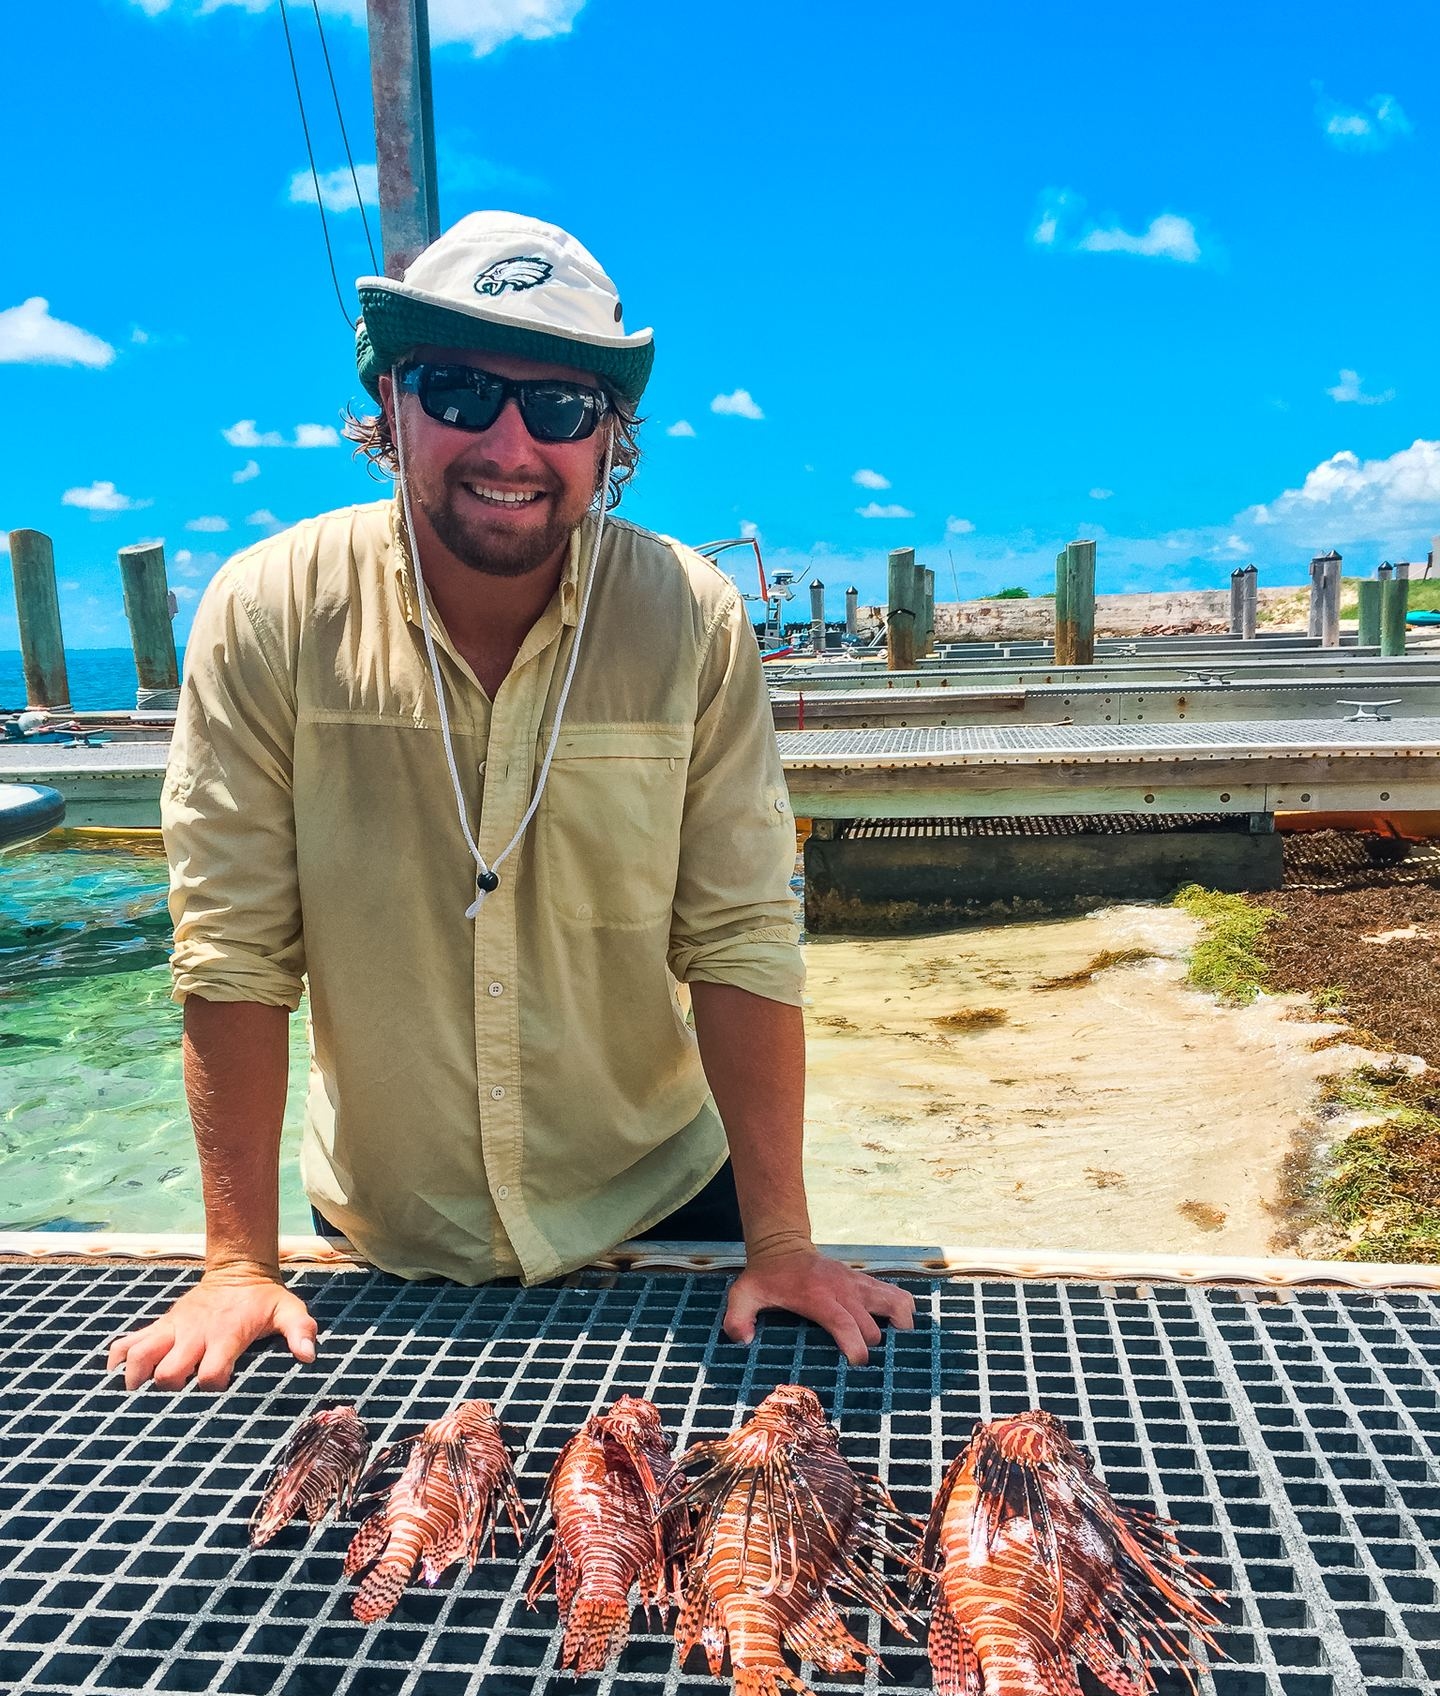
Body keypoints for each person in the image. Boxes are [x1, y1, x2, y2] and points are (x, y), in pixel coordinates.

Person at [108, 211, 913, 1395]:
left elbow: (742, 933)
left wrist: (782, 1243)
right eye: (459, 389)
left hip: (666, 1200)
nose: (509, 441)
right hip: (387, 1231)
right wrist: (237, 1261)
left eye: (559, 407)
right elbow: (232, 950)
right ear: (390, 407)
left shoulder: (691, 619)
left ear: (609, 439)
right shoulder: (270, 612)